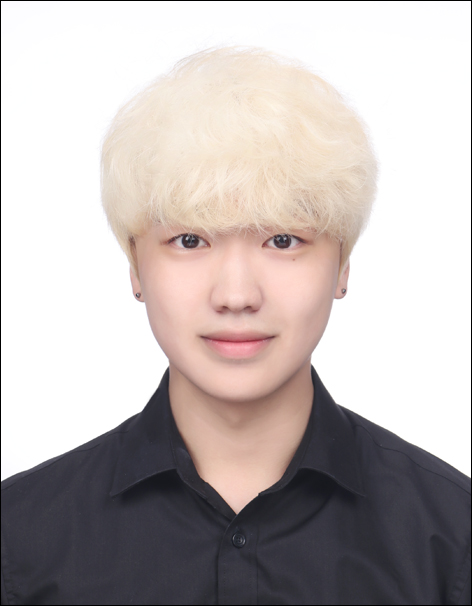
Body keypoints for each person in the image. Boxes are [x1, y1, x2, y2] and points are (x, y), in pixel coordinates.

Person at [1, 47, 470, 606]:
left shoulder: (451, 536)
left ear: (343, 265)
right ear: (135, 266)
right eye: (190, 240)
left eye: (283, 240)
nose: (237, 296)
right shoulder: (20, 539)